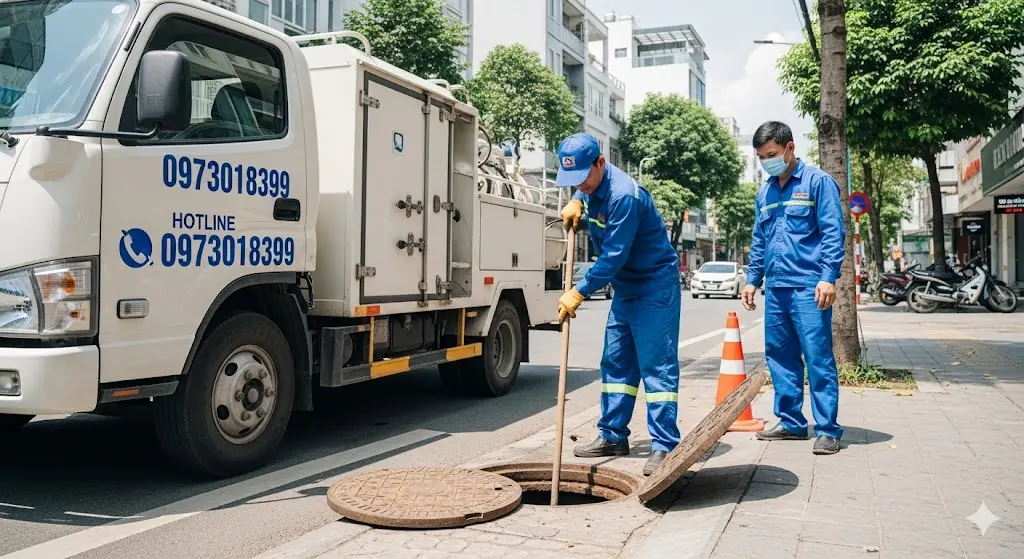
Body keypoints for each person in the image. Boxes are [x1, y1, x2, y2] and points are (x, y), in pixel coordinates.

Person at [555, 133, 682, 475]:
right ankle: (612, 435)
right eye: (572, 180)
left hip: (654, 285)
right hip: (626, 287)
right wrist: (579, 198)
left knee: (657, 366)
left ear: (601, 162)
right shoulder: (591, 185)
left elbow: (612, 257)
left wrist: (579, 291)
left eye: (583, 178)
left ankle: (665, 445)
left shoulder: (624, 196)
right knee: (616, 364)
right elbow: (586, 186)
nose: (579, 184)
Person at [742, 121, 846, 455]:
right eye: (761, 157)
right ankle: (791, 422)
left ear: (790, 148)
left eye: (771, 155)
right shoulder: (765, 192)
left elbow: (833, 232)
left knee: (817, 357)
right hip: (777, 289)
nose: (766, 162)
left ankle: (827, 429)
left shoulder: (818, 183)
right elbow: (760, 239)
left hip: (809, 287)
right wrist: (751, 279)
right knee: (780, 357)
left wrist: (829, 276)